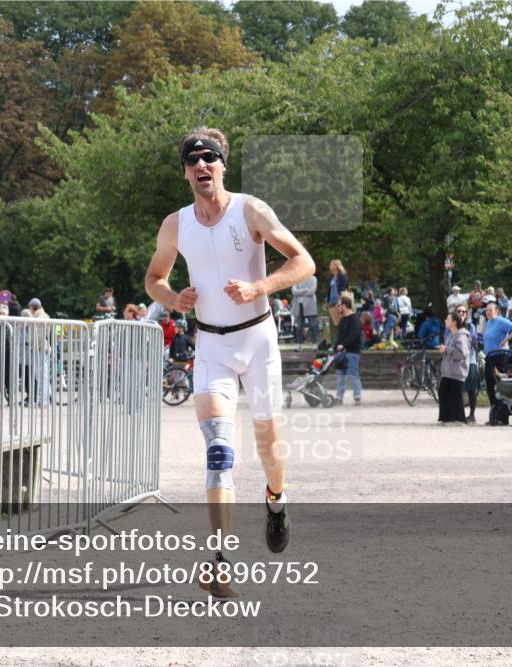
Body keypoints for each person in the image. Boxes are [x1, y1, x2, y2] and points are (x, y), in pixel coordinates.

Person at [144, 127, 314, 590]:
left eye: (210, 157)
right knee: (219, 451)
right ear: (185, 172)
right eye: (193, 159)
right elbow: (154, 278)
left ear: (223, 165)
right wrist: (173, 297)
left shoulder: (250, 209)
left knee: (269, 448)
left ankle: (276, 500)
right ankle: (220, 560)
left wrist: (260, 287)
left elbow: (303, 261)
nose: (202, 164)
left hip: (258, 341)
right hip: (212, 347)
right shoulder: (175, 224)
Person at [482, 300, 512, 425]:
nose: (488, 312)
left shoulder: (501, 321)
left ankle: (503, 417)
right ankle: (495, 414)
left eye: (490, 310)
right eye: (486, 310)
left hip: (500, 356)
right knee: (490, 385)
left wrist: (506, 339)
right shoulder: (489, 322)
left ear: (496, 311)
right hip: (490, 357)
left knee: (501, 385)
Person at [436, 310, 471, 424]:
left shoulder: (461, 336)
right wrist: (444, 349)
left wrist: (447, 349)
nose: (445, 320)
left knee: (455, 396)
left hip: (457, 371)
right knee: (443, 392)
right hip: (448, 371)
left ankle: (458, 419)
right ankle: (446, 418)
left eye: (448, 319)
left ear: (454, 322)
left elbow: (462, 354)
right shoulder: (450, 335)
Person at [333, 296, 363, 405]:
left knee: (354, 375)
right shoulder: (342, 320)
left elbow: (353, 335)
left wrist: (343, 345)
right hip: (341, 353)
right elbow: (339, 336)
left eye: (339, 305)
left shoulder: (355, 319)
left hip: (352, 352)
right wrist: (335, 348)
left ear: (344, 306)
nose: (337, 307)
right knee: (340, 377)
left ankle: (357, 397)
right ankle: (339, 397)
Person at [291, 273, 318, 351]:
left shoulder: (313, 279)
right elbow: (294, 292)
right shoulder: (296, 279)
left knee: (312, 325)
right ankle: (299, 345)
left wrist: (299, 292)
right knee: (299, 326)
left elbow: (312, 292)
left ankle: (314, 345)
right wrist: (306, 290)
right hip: (299, 304)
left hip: (310, 304)